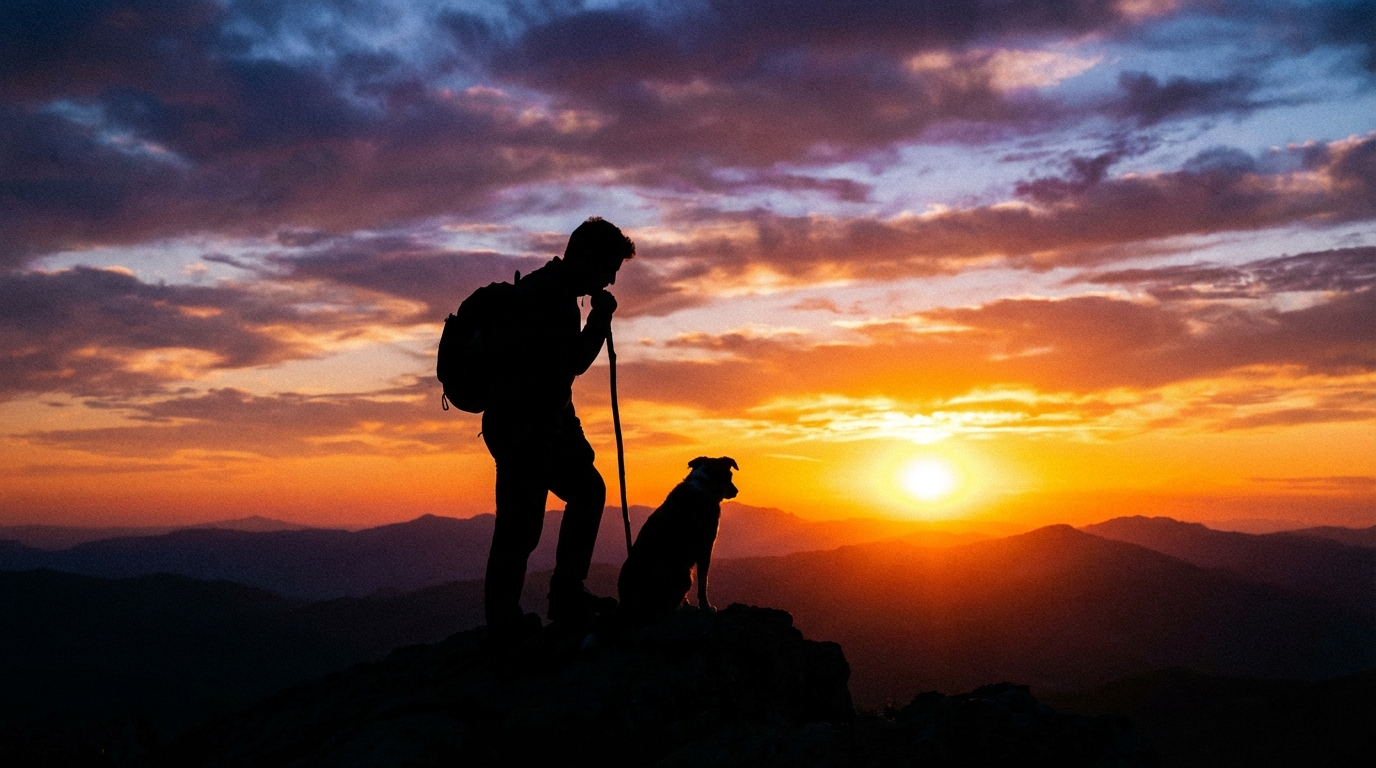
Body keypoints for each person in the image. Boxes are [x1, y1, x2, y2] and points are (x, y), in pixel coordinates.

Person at [482, 216, 634, 637]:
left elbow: (550, 375)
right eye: (609, 270)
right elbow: (573, 363)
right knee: (521, 526)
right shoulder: (554, 298)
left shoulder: (543, 287)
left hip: (526, 426)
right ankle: (512, 620)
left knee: (576, 496)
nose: (610, 281)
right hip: (526, 430)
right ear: (587, 258)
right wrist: (599, 321)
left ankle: (551, 600)